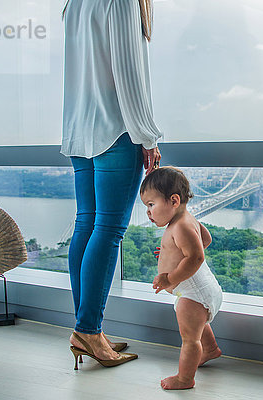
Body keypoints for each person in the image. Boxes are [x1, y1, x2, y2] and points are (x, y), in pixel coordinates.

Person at [61, 0, 163, 369]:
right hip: (115, 131)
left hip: (78, 130)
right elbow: (128, 71)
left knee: (87, 226)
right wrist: (147, 135)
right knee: (108, 229)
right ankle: (88, 329)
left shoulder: (75, 3)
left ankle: (87, 330)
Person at [140, 167, 224, 390]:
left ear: (174, 200)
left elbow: (196, 256)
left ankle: (185, 379)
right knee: (197, 324)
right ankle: (210, 349)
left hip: (194, 293)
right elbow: (205, 239)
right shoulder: (186, 220)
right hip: (200, 290)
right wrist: (174, 253)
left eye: (151, 204)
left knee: (189, 338)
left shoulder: (181, 226)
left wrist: (169, 278)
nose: (148, 212)